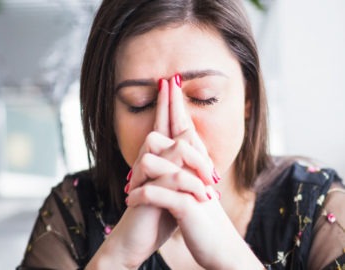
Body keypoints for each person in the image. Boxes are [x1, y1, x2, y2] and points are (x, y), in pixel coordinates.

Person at [17, 0, 345, 269]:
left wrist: (234, 260)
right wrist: (114, 259)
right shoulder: (73, 210)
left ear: (248, 98)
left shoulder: (317, 210)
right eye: (140, 103)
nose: (175, 129)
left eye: (203, 96)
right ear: (108, 113)